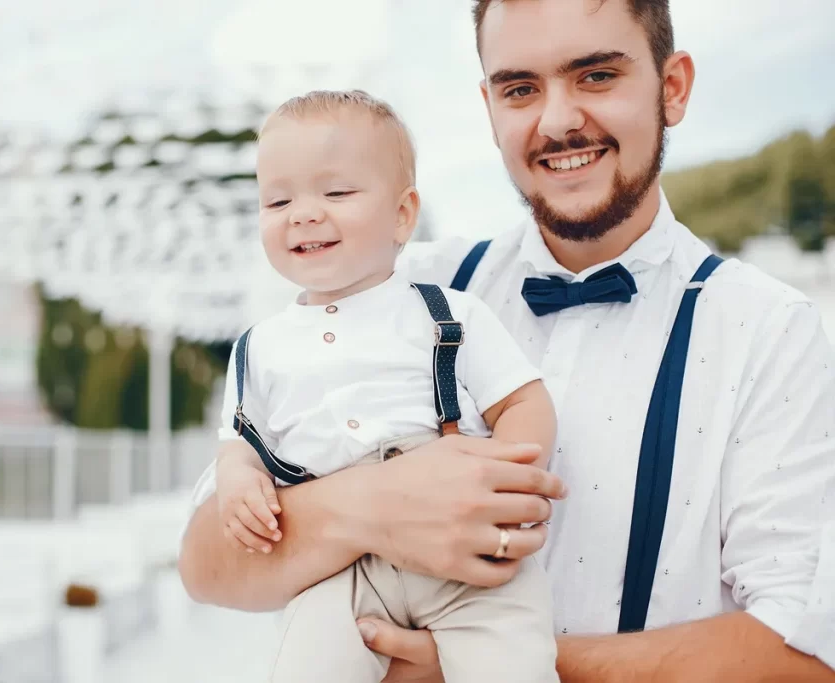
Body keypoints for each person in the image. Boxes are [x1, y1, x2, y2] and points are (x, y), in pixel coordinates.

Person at [179, 0, 835, 680]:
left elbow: (806, 654)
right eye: (520, 88)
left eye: (596, 76)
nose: (556, 120)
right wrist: (372, 505)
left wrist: (476, 663)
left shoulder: (769, 332)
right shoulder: (391, 284)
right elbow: (205, 561)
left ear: (672, 88)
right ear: (491, 107)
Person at [211, 89, 560, 682]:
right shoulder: (259, 347)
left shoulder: (447, 313)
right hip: (338, 573)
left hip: (465, 558)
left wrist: (501, 482)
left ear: (403, 215)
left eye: (337, 192)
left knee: (514, 664)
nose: (303, 212)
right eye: (278, 199)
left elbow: (522, 400)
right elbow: (239, 441)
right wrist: (238, 479)